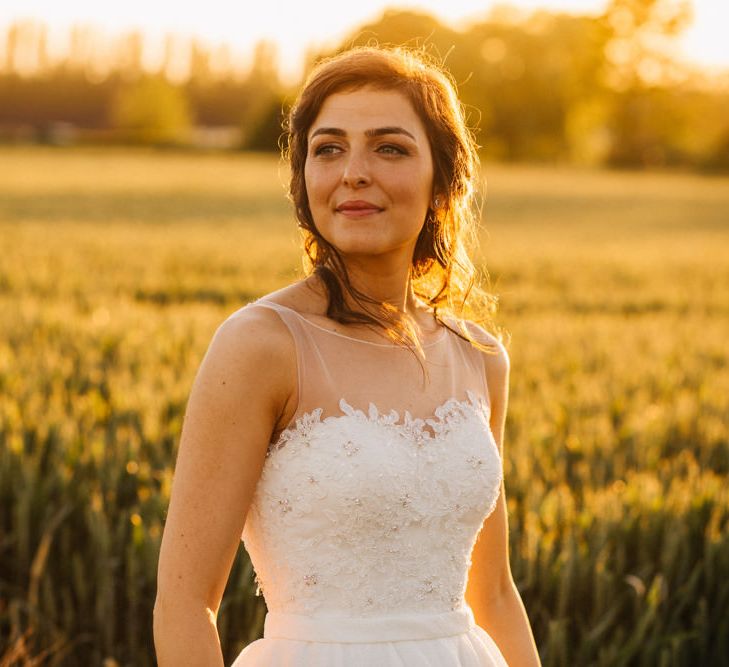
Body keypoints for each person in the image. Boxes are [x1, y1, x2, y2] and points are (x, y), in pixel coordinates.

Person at [153, 45, 541, 666]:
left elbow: (493, 590)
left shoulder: (480, 357)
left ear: (443, 179)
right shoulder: (262, 344)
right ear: (304, 180)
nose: (353, 172)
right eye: (329, 148)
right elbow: (183, 603)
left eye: (389, 147)